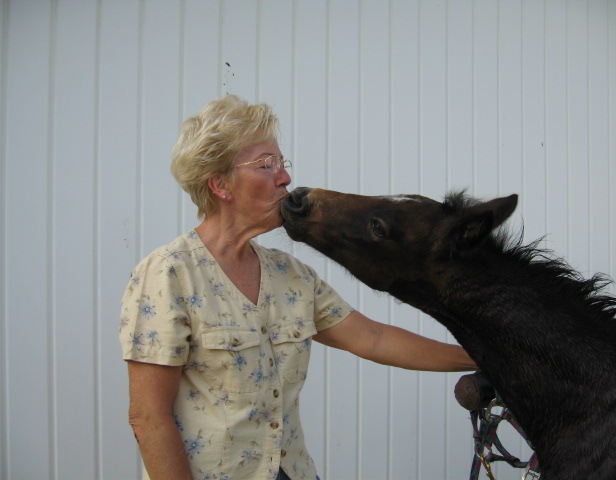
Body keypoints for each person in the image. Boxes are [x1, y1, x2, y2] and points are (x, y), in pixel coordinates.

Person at [119, 94, 476, 480]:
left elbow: (372, 337)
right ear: (221, 185)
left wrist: (486, 358)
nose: (285, 176)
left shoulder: (291, 275)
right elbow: (148, 418)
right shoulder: (169, 274)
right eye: (265, 164)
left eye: (281, 162)